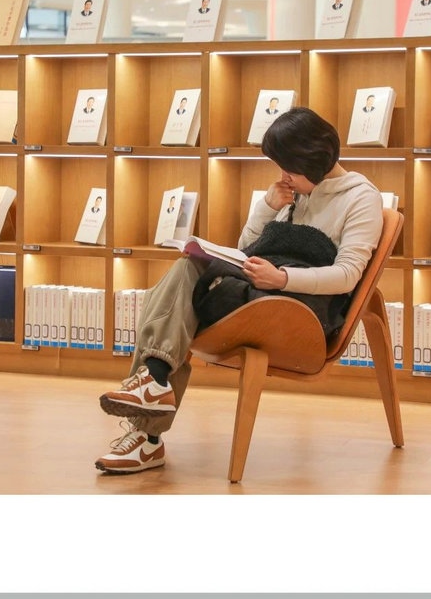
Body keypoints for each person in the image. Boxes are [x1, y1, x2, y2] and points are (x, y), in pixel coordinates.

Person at [94, 107, 385, 474]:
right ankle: (152, 389)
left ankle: (148, 425)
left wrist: (282, 279)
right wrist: (266, 208)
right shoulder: (295, 193)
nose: (283, 176)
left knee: (174, 305)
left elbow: (347, 275)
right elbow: (247, 248)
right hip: (262, 293)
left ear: (313, 161)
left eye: (288, 168)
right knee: (186, 270)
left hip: (298, 312)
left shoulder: (361, 198)